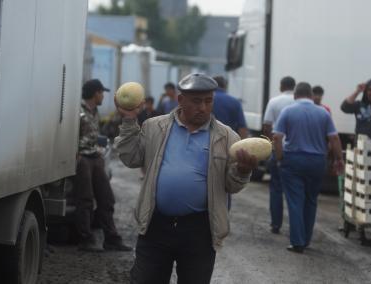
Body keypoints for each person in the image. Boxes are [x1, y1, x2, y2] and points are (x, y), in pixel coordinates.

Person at [114, 73, 257, 283]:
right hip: (156, 226)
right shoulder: (155, 127)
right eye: (196, 101)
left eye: (208, 101)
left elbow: (231, 185)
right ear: (180, 100)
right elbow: (131, 158)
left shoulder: (227, 138)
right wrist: (128, 120)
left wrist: (243, 171)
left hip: (200, 231)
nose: (203, 108)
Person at [273, 82, 344, 253]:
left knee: (295, 201)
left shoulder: (288, 111)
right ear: (311, 95)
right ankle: (306, 240)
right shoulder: (323, 113)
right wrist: (338, 159)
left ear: (295, 95)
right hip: (317, 162)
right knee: (311, 201)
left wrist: (280, 158)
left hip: (294, 160)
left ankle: (297, 242)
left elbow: (277, 137)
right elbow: (334, 139)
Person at [74, 79, 132, 252]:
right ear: (95, 93)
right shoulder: (78, 111)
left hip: (95, 157)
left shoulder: (94, 111)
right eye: (102, 92)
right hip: (82, 159)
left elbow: (99, 133)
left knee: (106, 198)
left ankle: (111, 239)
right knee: (85, 199)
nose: (103, 96)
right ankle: (85, 240)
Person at [262, 76, 296, 234]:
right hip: (295, 151)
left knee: (276, 188)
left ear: (282, 86)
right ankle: (296, 226)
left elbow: (267, 125)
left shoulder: (274, 101)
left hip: (278, 148)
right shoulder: (298, 102)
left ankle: (276, 224)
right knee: (295, 190)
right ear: (294, 87)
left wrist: (270, 145)